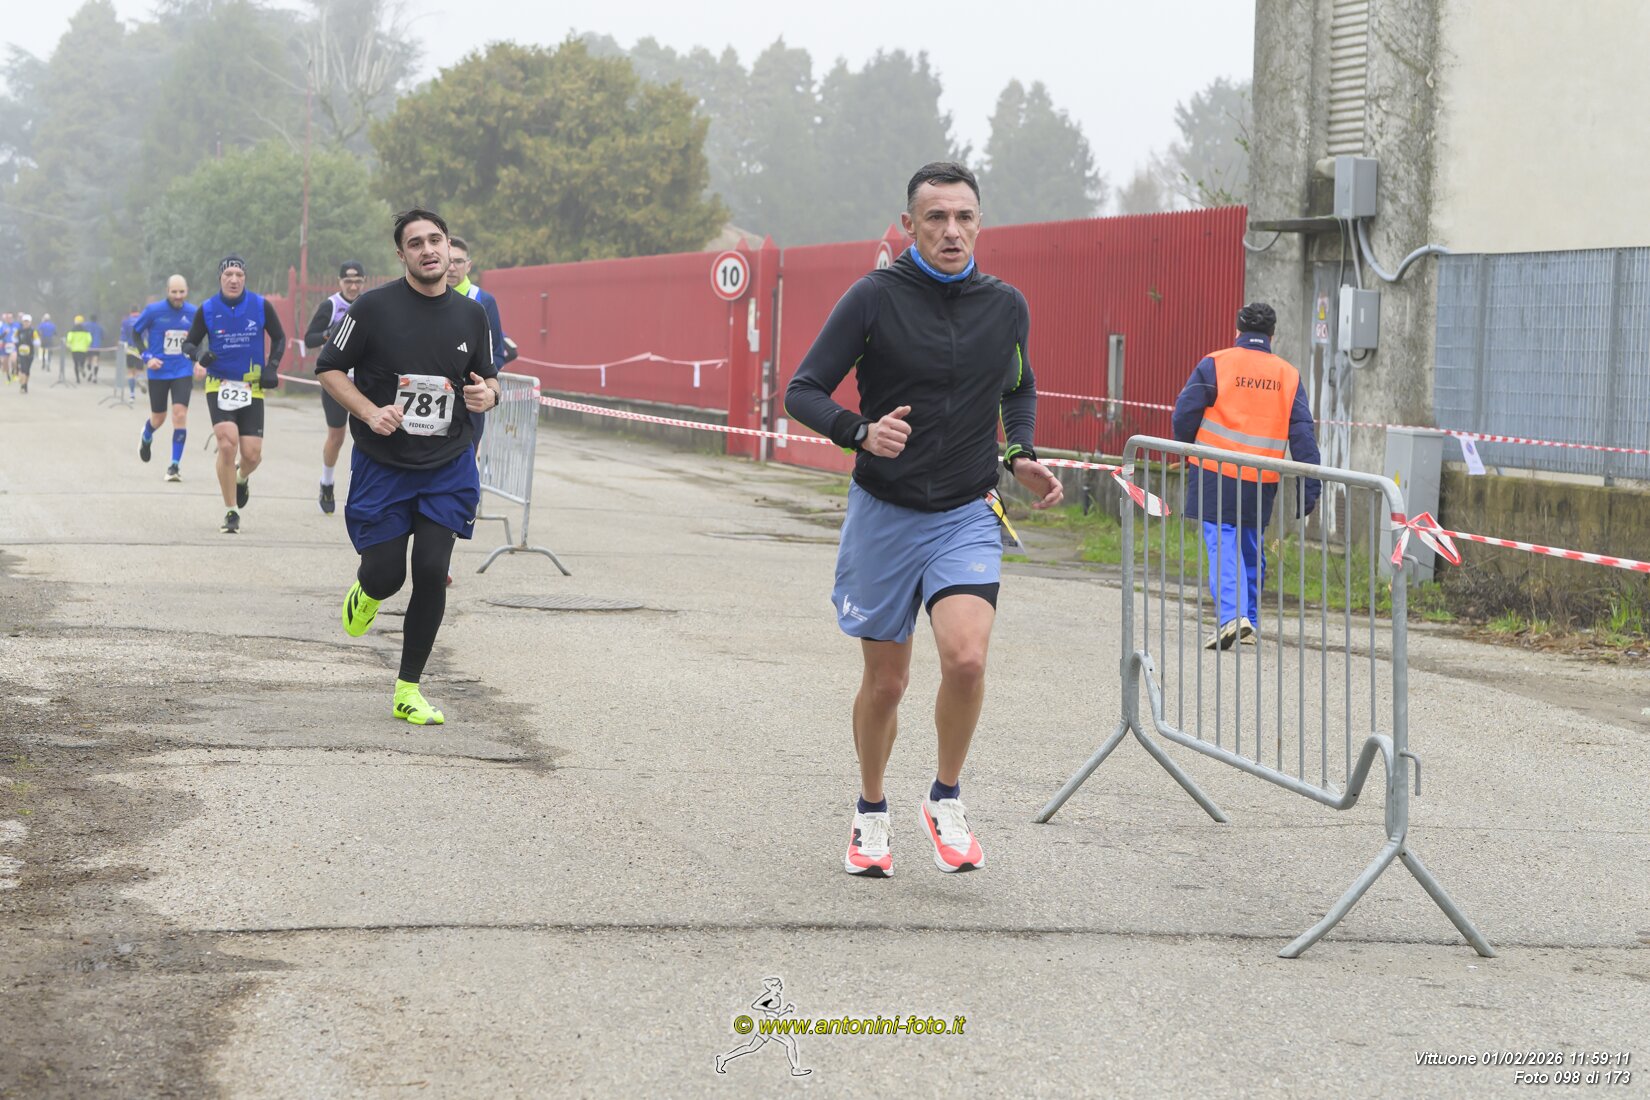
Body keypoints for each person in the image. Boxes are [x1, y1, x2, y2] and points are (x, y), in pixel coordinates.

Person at [784, 161, 1063, 878]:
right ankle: (871, 809)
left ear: (980, 223)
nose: (951, 230)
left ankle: (945, 797)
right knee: (888, 683)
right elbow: (803, 390)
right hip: (885, 512)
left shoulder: (1005, 306)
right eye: (936, 217)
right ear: (909, 225)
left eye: (964, 216)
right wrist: (859, 432)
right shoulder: (873, 298)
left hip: (966, 510)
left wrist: (1021, 452)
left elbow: (1019, 385)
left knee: (966, 659)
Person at [315, 208, 498, 727]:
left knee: (432, 571)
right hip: (385, 463)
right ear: (401, 254)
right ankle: (367, 591)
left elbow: (487, 379)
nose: (428, 250)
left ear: (448, 247)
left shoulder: (472, 314)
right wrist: (369, 412)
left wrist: (489, 395)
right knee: (387, 574)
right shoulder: (372, 308)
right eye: (415, 243)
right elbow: (329, 367)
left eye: (435, 240)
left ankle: (408, 689)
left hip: (448, 463)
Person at [1171, 302, 1322, 650]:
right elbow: (1302, 434)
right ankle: (1249, 620)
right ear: (1272, 336)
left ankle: (1231, 617)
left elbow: (1184, 413)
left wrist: (1184, 447)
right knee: (1250, 544)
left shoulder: (1216, 363)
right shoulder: (1288, 375)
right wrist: (1309, 485)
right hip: (1261, 478)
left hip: (1215, 471)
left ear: (1237, 331)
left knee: (1222, 540)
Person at [182, 256, 286, 534]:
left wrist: (272, 367)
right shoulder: (208, 308)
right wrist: (199, 354)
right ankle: (231, 511)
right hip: (220, 384)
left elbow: (279, 338)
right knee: (227, 444)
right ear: (220, 278)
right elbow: (188, 343)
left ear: (244, 278)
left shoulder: (260, 305)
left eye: (239, 274)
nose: (234, 279)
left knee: (252, 455)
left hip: (252, 386)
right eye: (228, 274)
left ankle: (241, 477)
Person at [303, 261, 367, 514]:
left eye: (358, 281)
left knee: (369, 436)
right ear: (340, 282)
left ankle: (364, 489)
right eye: (348, 281)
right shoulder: (331, 305)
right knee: (337, 437)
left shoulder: (369, 304)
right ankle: (327, 483)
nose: (353, 286)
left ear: (363, 282)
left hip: (364, 382)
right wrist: (327, 334)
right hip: (336, 381)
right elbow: (310, 339)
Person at [132, 277, 198, 482]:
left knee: (180, 415)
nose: (178, 296)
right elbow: (135, 333)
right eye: (174, 292)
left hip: (182, 370)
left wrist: (199, 360)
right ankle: (146, 435)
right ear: (167, 291)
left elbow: (202, 337)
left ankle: (174, 466)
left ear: (187, 291)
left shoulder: (194, 312)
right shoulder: (153, 311)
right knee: (158, 418)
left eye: (181, 292)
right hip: (158, 371)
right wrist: (147, 357)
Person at [445, 237, 509, 442]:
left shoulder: (483, 301)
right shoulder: (425, 297)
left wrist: (481, 385)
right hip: (430, 399)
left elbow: (496, 353)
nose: (452, 267)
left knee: (465, 457)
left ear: (469, 265)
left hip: (468, 402)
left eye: (458, 261)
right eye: (448, 260)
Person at [120, 305, 144, 404]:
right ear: (138, 310)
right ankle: (140, 379)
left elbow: (123, 336)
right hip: (141, 349)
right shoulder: (143, 320)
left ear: (130, 311)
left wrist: (122, 344)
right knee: (139, 370)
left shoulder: (125, 322)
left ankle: (132, 395)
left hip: (130, 349)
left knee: (130, 372)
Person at [13, 314, 38, 393]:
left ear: (30, 322)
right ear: (22, 322)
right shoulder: (19, 330)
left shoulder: (33, 331)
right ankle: (22, 385)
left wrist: (33, 342)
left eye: (27, 322)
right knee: (23, 369)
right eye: (25, 321)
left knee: (27, 370)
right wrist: (17, 344)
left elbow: (37, 341)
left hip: (30, 353)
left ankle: (25, 384)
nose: (26, 323)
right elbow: (14, 338)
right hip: (21, 353)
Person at [64, 316, 92, 383]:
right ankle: (82, 367)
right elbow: (89, 340)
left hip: (74, 349)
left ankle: (78, 379)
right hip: (83, 349)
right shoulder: (86, 331)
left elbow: (69, 339)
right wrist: (87, 345)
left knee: (76, 364)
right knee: (82, 362)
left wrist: (68, 344)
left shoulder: (72, 330)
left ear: (75, 321)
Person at [85, 314, 105, 383]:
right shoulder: (100, 327)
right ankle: (95, 376)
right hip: (97, 346)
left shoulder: (86, 326)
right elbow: (103, 336)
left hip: (88, 346)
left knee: (89, 361)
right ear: (96, 319)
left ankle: (90, 372)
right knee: (95, 361)